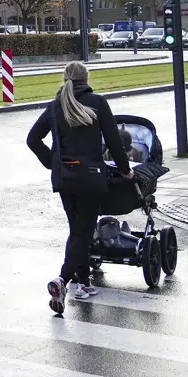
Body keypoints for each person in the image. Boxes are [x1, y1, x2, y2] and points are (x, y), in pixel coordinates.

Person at [26, 61, 132, 316]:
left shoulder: (55, 106)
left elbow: (32, 139)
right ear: (86, 78)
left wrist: (52, 163)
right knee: (83, 231)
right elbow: (114, 141)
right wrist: (125, 169)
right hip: (90, 178)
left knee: (77, 231)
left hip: (65, 178)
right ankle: (63, 280)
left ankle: (84, 283)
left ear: (65, 79)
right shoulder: (97, 102)